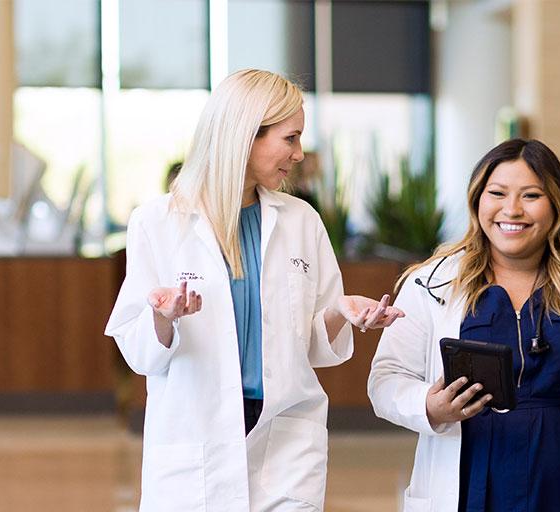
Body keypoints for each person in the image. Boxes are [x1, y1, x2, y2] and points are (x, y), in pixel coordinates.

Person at [105, 69, 403, 512]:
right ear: (246, 134)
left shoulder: (301, 220)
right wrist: (162, 318)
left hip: (286, 440)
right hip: (196, 439)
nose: (300, 154)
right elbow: (139, 352)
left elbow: (315, 346)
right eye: (291, 138)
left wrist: (341, 311)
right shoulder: (158, 221)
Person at [368, 138, 560, 511]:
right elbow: (386, 379)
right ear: (477, 201)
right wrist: (429, 406)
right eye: (498, 193)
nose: (512, 209)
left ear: (557, 205)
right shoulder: (433, 282)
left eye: (531, 195)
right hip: (470, 483)